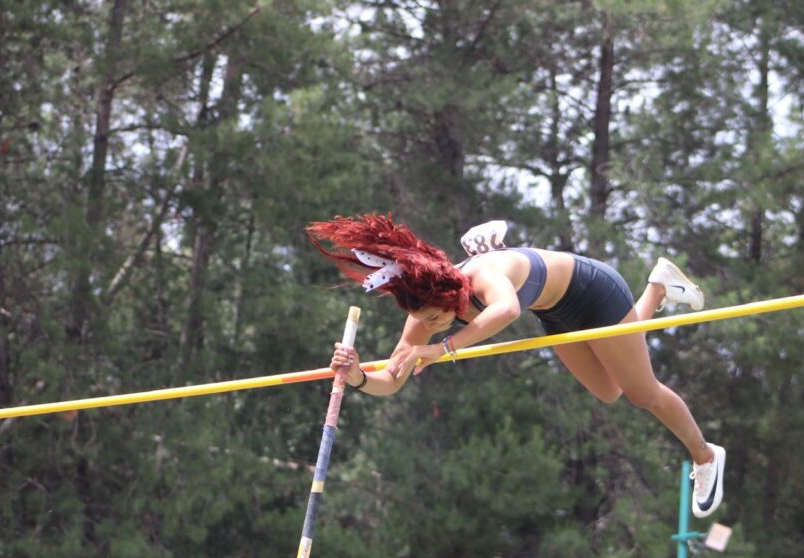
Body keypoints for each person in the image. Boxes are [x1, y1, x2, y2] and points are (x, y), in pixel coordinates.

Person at [308, 214, 726, 518]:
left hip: (596, 291)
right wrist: (360, 376)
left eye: (437, 318)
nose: (432, 327)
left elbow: (506, 309)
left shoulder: (483, 276)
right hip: (554, 309)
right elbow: (393, 379)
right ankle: (658, 286)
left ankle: (706, 456)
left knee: (642, 392)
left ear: (450, 289)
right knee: (608, 391)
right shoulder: (422, 312)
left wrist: (443, 347)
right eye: (427, 322)